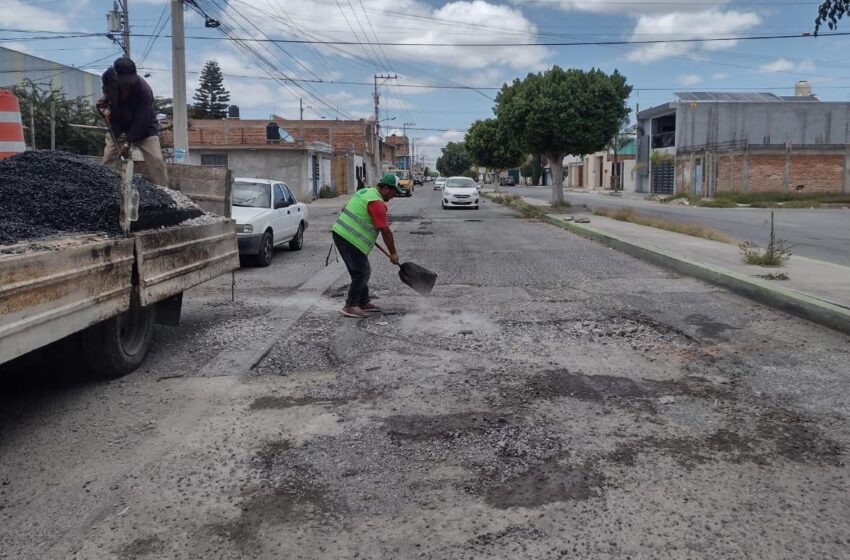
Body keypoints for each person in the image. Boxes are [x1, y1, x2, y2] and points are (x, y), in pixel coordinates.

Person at [332, 173, 404, 318]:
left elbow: (344, 207)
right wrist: (393, 254)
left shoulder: (365, 192)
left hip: (342, 234)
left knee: (359, 271)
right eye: (393, 191)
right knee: (362, 271)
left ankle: (363, 302)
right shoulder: (377, 203)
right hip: (348, 238)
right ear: (384, 188)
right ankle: (350, 305)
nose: (394, 196)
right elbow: (385, 231)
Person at [97, 57, 169, 187]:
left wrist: (128, 142)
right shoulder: (108, 76)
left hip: (144, 127)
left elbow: (142, 120)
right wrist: (106, 98)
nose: (128, 83)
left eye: (130, 79)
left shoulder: (144, 91)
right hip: (118, 124)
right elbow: (106, 89)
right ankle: (104, 188)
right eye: (125, 80)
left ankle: (165, 191)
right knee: (109, 158)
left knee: (157, 160)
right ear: (116, 75)